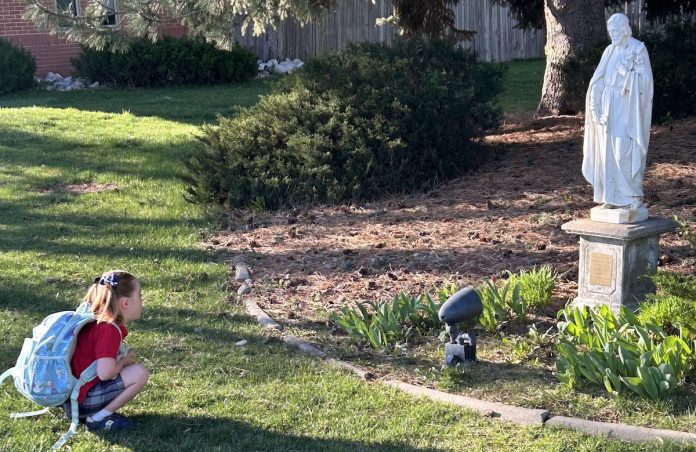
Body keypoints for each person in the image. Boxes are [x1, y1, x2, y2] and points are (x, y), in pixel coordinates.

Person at [582, 13, 653, 211]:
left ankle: (633, 195)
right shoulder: (609, 51)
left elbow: (646, 83)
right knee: (606, 151)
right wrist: (595, 106)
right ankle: (611, 196)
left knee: (623, 150)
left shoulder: (638, 49)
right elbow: (598, 80)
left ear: (624, 29)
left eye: (614, 30)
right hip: (608, 105)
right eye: (609, 30)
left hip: (627, 106)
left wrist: (626, 75)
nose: (611, 34)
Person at [62, 270, 149, 431]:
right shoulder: (108, 330)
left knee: (132, 370)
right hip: (82, 402)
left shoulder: (95, 320)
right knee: (139, 373)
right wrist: (124, 362)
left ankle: (92, 414)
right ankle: (98, 418)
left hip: (71, 398)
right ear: (125, 303)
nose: (142, 300)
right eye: (139, 295)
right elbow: (105, 373)